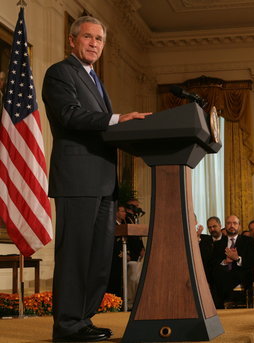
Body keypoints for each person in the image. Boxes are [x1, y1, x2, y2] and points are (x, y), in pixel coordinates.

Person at [42, 16, 151, 342]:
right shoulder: (60, 73)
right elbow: (70, 116)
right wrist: (119, 119)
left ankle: (83, 320)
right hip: (77, 181)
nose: (94, 44)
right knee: (75, 255)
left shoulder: (95, 80)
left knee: (98, 258)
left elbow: (101, 127)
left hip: (104, 183)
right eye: (88, 37)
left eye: (99, 39)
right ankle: (67, 326)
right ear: (72, 41)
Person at [211, 215, 254, 308]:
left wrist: (237, 258)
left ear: (239, 226)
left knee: (222, 280)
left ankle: (227, 305)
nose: (231, 225)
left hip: (241, 272)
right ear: (225, 225)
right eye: (229, 223)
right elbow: (214, 263)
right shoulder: (218, 244)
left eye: (235, 223)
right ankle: (219, 313)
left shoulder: (248, 241)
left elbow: (252, 261)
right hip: (224, 273)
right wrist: (225, 261)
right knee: (215, 276)